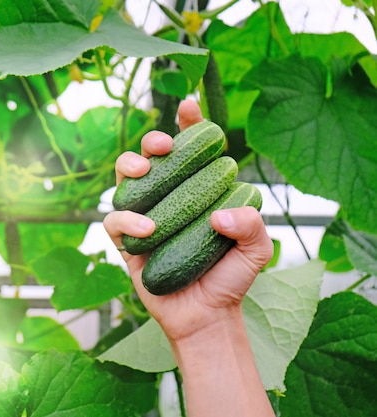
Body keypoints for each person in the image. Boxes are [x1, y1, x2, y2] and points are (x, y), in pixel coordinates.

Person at [103, 99, 276, 417]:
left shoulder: (236, 188)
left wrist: (208, 327)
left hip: (179, 272)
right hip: (174, 273)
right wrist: (202, 332)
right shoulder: (233, 185)